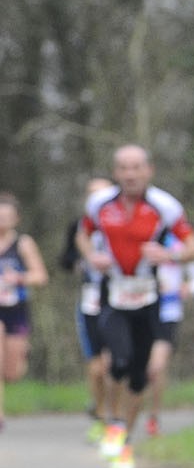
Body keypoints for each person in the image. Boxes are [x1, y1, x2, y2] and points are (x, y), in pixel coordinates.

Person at [79, 145, 194, 468]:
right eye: (123, 168)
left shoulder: (165, 207)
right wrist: (91, 256)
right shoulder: (99, 204)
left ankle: (126, 440)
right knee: (116, 360)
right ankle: (113, 423)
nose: (130, 174)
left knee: (140, 374)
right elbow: (82, 235)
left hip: (149, 297)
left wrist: (169, 255)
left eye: (136, 167)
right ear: (115, 172)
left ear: (149, 171)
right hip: (114, 294)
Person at [59, 177, 115, 441]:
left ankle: (115, 416)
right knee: (96, 368)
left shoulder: (123, 223)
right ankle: (99, 413)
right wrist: (80, 263)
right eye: (92, 194)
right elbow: (65, 258)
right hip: (90, 300)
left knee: (114, 364)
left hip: (119, 300)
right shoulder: (79, 226)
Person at [0, 194, 51, 431]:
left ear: (16, 219)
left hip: (16, 309)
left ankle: (22, 355)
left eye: (7, 216)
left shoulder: (23, 243)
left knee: (11, 373)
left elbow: (40, 276)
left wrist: (19, 278)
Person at [143, 232, 194, 437]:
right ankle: (118, 417)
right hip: (138, 311)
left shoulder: (178, 239)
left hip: (168, 312)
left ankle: (154, 417)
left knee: (156, 368)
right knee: (131, 365)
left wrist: (189, 286)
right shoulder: (132, 232)